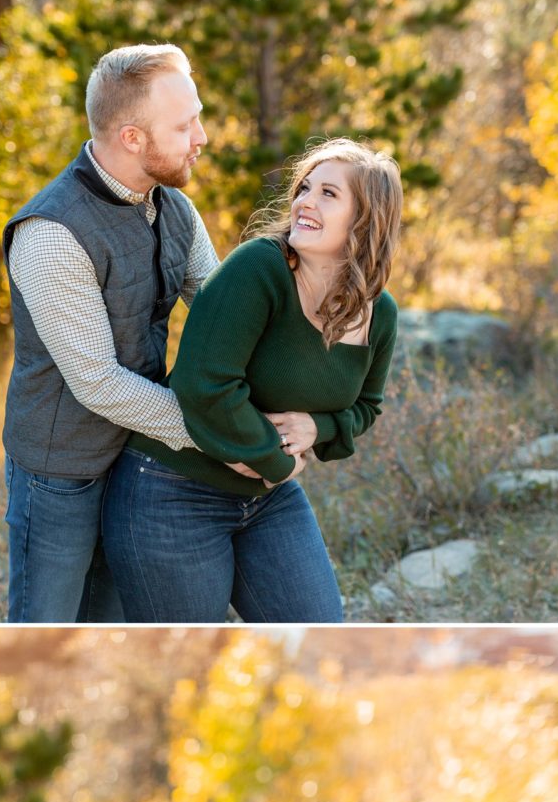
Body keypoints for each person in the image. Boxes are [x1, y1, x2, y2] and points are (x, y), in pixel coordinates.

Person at [102, 139, 402, 622]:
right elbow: (205, 385)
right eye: (304, 188)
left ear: (368, 219)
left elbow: (366, 406)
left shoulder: (379, 313)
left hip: (267, 500)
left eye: (329, 194)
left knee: (318, 636)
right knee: (189, 666)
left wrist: (315, 429)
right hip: (172, 489)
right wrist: (275, 461)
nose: (304, 201)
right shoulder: (259, 267)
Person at [1, 41, 218, 622]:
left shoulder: (176, 209)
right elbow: (96, 382)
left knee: (113, 625)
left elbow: (222, 313)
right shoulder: (50, 233)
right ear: (131, 139)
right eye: (185, 125)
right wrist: (219, 432)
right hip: (59, 473)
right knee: (44, 628)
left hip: (139, 460)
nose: (202, 137)